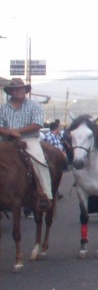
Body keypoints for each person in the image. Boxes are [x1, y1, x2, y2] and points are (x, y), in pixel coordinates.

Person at [0, 78, 54, 209]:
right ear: (10, 92)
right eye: (15, 89)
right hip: (6, 140)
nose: (18, 91)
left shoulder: (34, 106)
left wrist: (17, 131)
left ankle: (45, 195)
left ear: (25, 90)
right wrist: (9, 133)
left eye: (20, 88)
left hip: (28, 139)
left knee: (39, 162)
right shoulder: (3, 108)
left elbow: (37, 124)